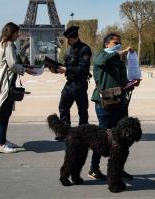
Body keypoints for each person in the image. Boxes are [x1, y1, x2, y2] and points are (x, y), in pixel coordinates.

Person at [89, 32, 137, 180]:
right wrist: (119, 52)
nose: (118, 44)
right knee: (102, 137)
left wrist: (131, 84)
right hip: (105, 103)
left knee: (122, 138)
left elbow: (122, 80)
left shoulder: (118, 60)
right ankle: (94, 169)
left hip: (120, 102)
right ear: (107, 44)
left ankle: (118, 168)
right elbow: (100, 62)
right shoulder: (101, 56)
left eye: (119, 42)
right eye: (115, 42)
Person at [0, 22, 35, 153]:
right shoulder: (8, 45)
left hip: (4, 81)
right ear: (11, 33)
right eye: (17, 33)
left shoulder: (1, 44)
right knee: (5, 114)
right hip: (7, 84)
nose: (18, 35)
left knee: (5, 113)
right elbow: (13, 64)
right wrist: (26, 70)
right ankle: (0, 144)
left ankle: (2, 140)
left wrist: (25, 67)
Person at [50, 26, 92, 141]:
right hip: (70, 83)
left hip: (80, 84)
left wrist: (67, 70)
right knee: (63, 107)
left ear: (76, 37)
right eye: (67, 39)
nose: (68, 41)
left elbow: (83, 69)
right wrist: (56, 69)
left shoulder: (85, 50)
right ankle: (64, 132)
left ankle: (83, 133)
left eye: (70, 39)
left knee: (82, 110)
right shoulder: (69, 50)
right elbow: (66, 65)